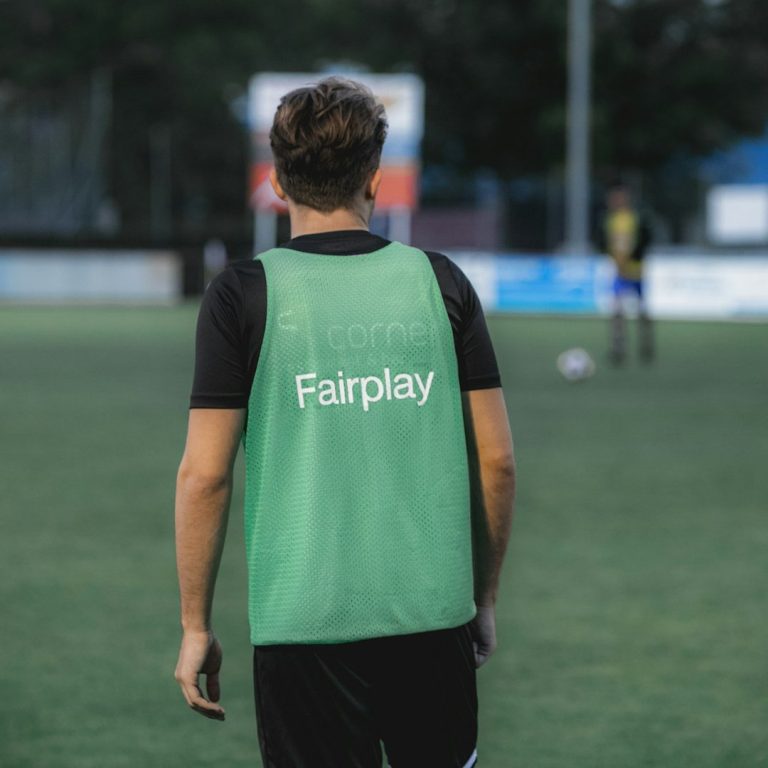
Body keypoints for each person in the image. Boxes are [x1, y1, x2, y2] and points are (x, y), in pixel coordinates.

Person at [174, 77, 516, 768]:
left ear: (276, 178)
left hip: (303, 621)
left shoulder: (242, 294)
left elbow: (205, 476)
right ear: (375, 177)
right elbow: (498, 462)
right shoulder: (441, 281)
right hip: (431, 615)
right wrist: (482, 596)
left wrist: (194, 625)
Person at [601, 182, 654, 364]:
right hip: (619, 271)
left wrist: (630, 259)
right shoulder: (611, 220)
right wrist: (615, 261)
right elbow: (609, 244)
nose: (614, 201)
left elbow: (644, 241)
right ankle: (618, 347)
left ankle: (646, 344)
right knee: (617, 310)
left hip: (635, 271)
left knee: (641, 310)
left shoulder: (635, 218)